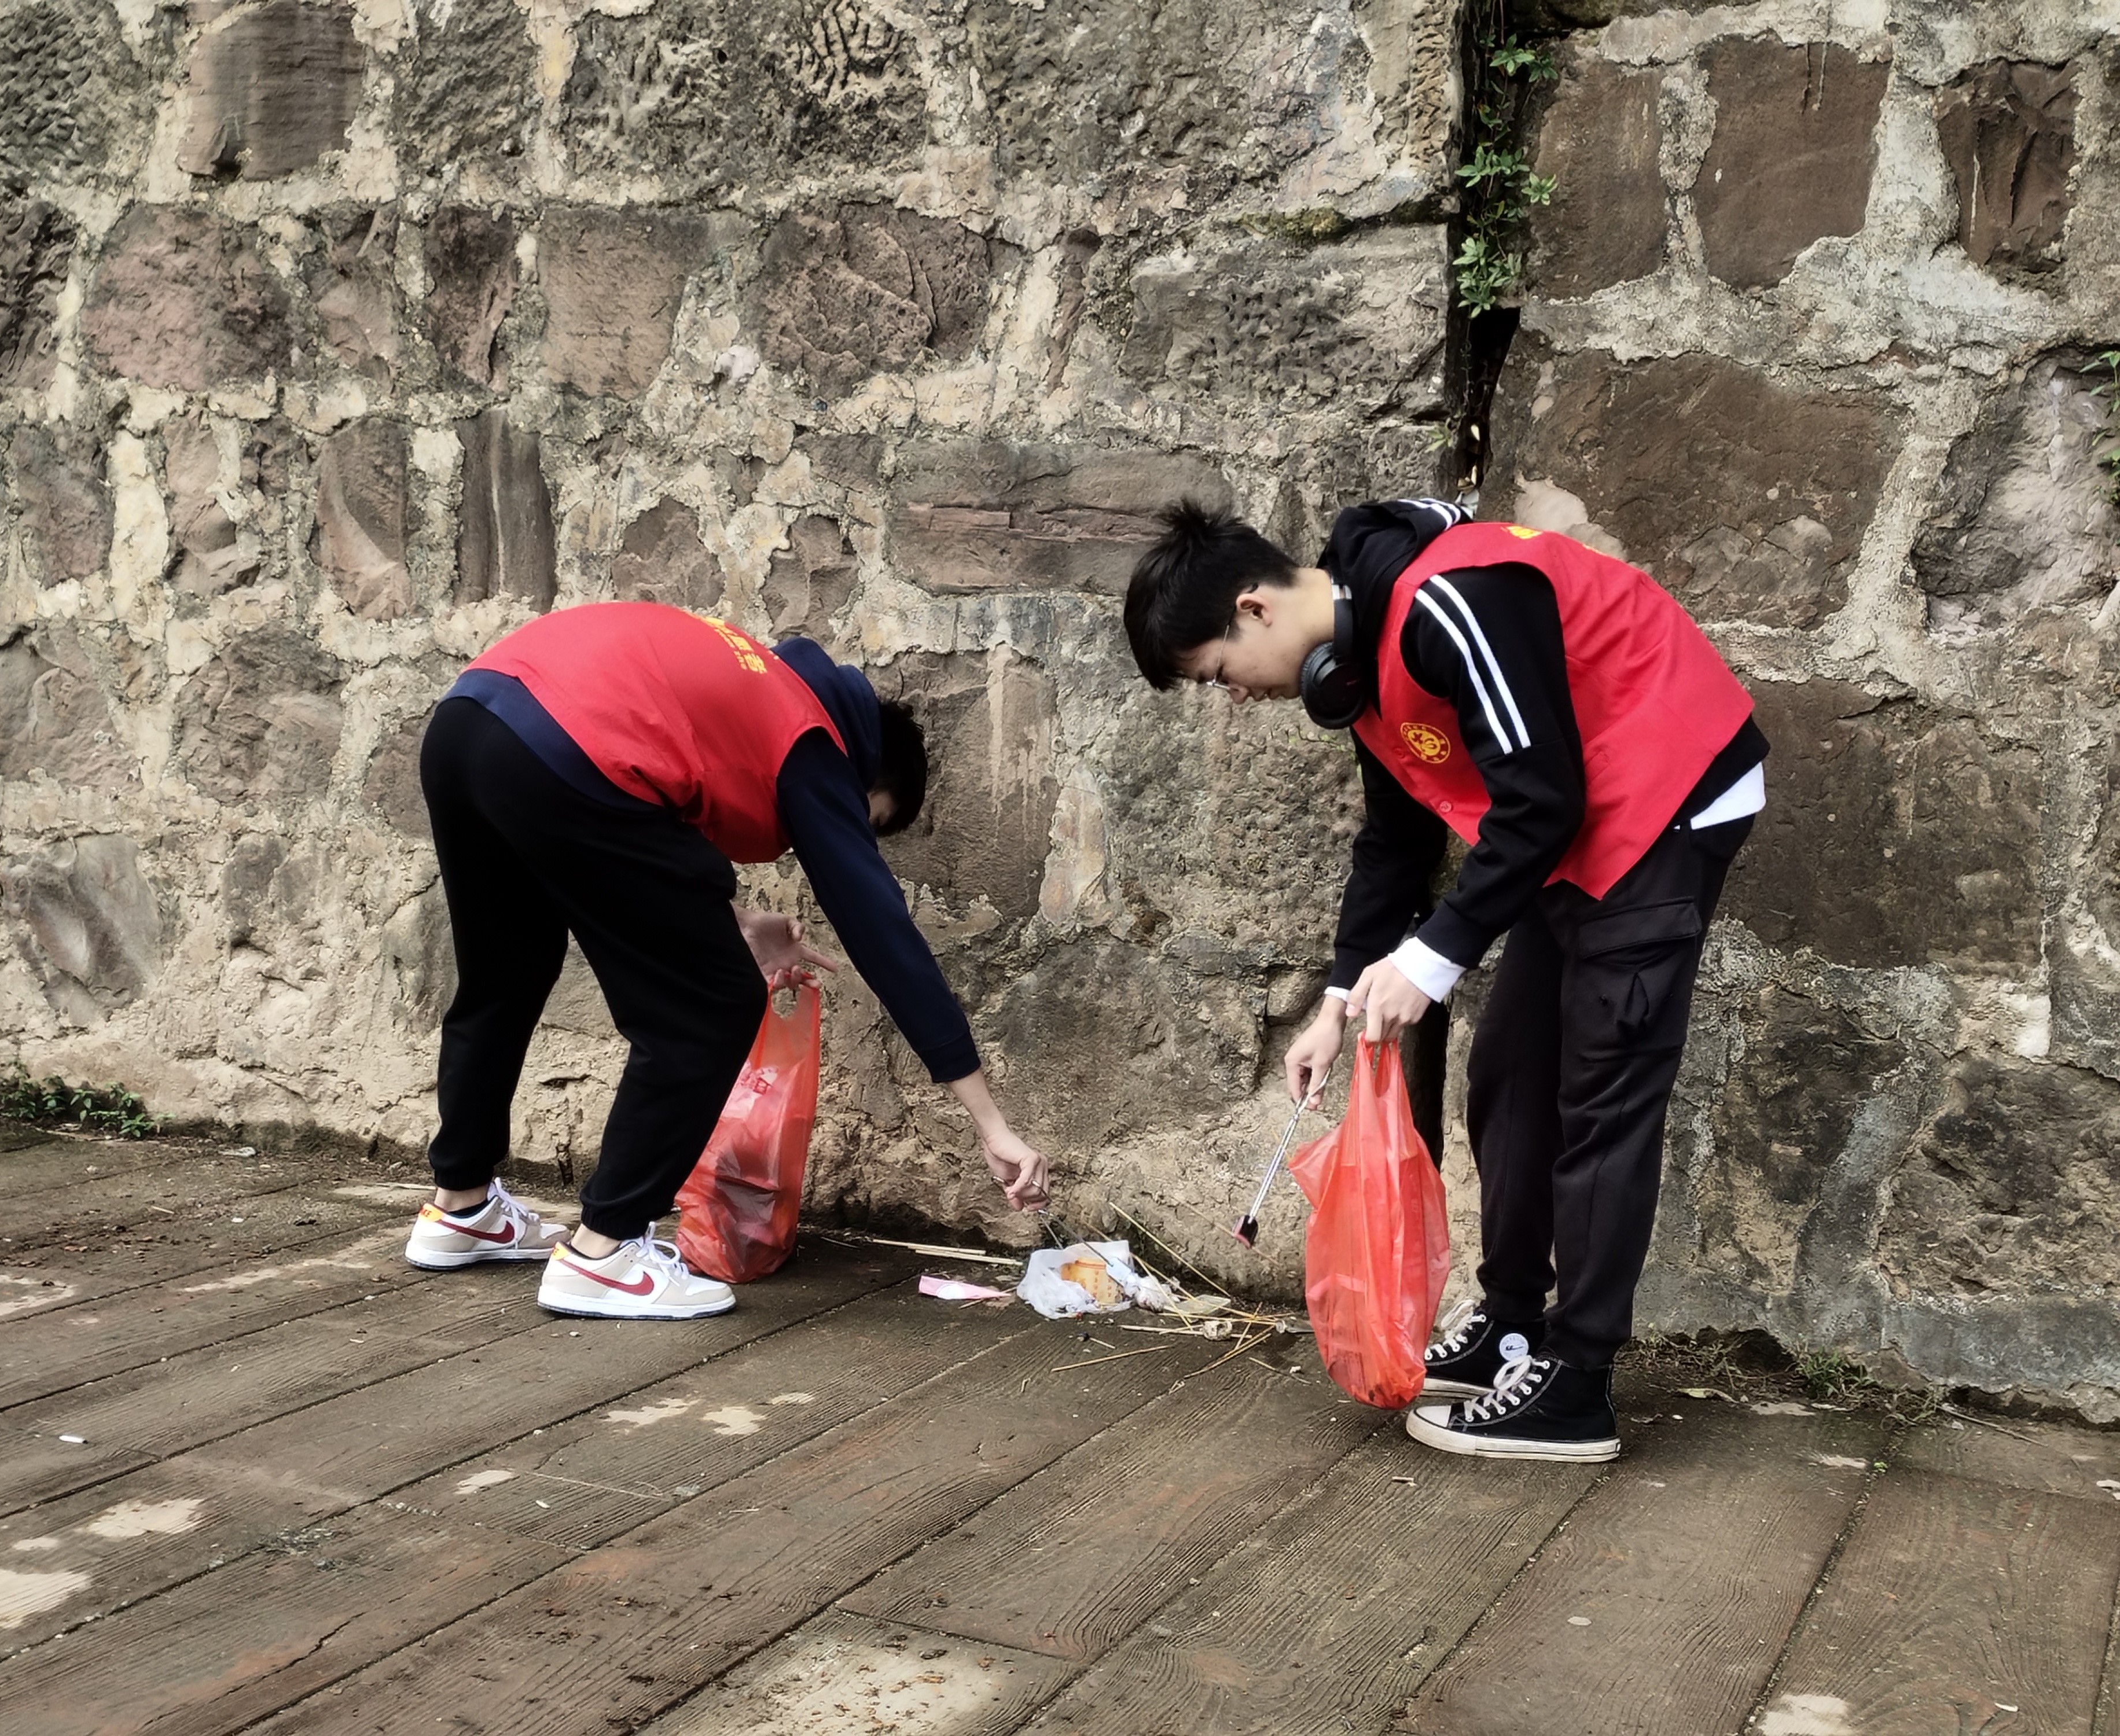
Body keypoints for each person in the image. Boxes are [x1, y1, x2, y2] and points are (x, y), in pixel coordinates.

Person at [1124, 497, 1766, 1462]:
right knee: (1511, 1071)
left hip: (1670, 790)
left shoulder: (1448, 601)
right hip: (1581, 825)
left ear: (1253, 608)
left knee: (1604, 1087)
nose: (1236, 697)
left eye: (1219, 674)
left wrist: (1431, 959)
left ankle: (1576, 1387)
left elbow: (1540, 799)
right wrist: (1337, 1003)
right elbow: (1396, 842)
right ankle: (1512, 1326)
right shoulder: (1357, 666)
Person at [405, 599, 1050, 1320]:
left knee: (505, 971)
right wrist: (991, 1124)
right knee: (707, 1006)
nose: (825, 837)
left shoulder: (758, 685)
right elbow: (883, 935)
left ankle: (461, 1208)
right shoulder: (813, 741)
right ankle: (604, 1254)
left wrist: (733, 923)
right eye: (863, 820)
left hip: (471, 720)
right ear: (864, 770)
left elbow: (642, 835)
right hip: (566, 746)